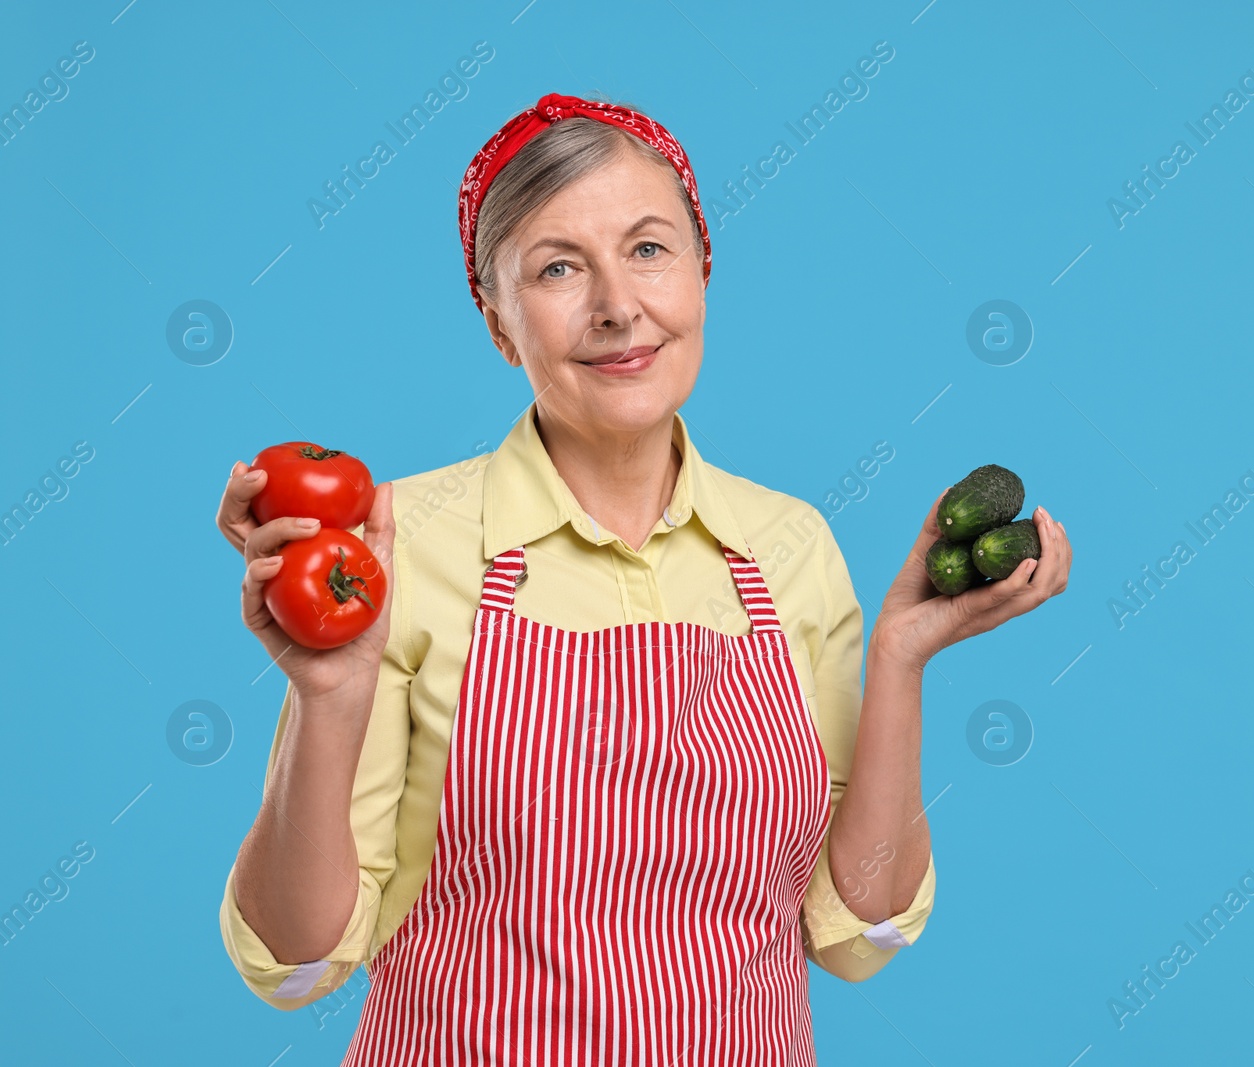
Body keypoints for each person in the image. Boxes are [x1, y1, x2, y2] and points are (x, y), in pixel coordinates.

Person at [214, 92, 1072, 1064]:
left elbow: (854, 932)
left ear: (703, 269)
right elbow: (293, 964)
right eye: (557, 268)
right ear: (499, 323)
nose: (618, 304)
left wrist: (903, 659)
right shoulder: (397, 539)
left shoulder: (788, 545)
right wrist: (328, 695)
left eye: (649, 248)